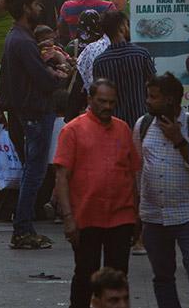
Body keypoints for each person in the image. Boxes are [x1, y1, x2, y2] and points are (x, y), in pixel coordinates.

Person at [53, 79, 141, 308]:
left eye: (111, 102)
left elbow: (132, 174)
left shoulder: (123, 129)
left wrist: (136, 215)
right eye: (102, 101)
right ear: (90, 100)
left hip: (121, 216)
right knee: (85, 275)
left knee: (118, 277)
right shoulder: (72, 130)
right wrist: (68, 218)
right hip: (86, 216)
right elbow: (61, 177)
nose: (107, 106)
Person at [134, 73, 189, 308]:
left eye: (153, 97)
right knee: (162, 277)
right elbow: (137, 169)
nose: (148, 101)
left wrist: (179, 140)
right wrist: (137, 210)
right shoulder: (143, 125)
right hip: (154, 216)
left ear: (169, 100)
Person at [0, 0, 67, 250]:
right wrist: (58, 74)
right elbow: (43, 79)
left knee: (33, 170)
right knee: (34, 172)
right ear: (26, 8)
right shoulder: (23, 41)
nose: (40, 8)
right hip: (35, 112)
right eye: (36, 4)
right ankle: (23, 229)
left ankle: (24, 227)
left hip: (29, 112)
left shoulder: (19, 36)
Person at [91, 10, 156, 127]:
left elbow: (97, 94)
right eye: (126, 24)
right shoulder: (141, 55)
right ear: (122, 28)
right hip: (142, 122)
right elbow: (154, 85)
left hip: (113, 125)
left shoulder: (100, 62)